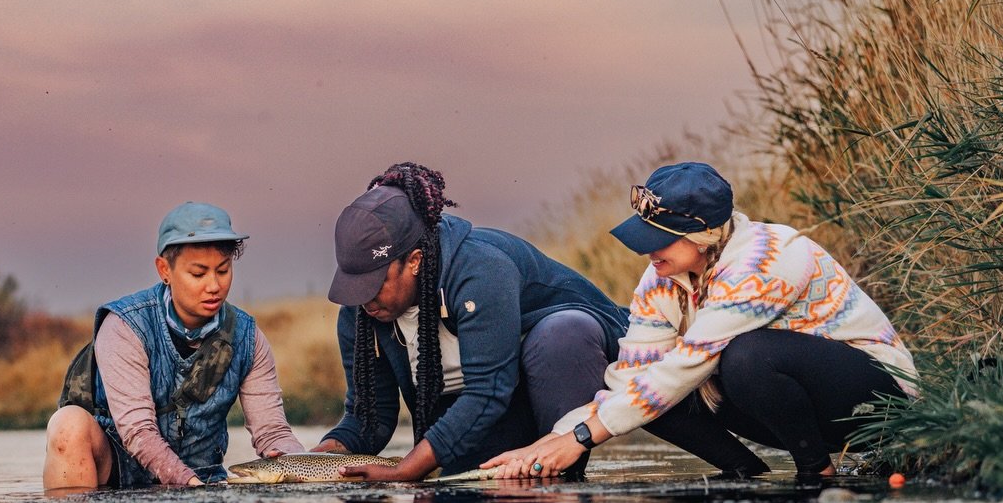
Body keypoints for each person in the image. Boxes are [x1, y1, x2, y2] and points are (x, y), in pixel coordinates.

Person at [483, 161, 918, 480]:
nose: (647, 252)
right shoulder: (662, 278)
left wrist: (580, 439)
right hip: (790, 405)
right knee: (641, 397)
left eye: (660, 240)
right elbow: (630, 379)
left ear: (704, 234)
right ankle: (744, 471)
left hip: (878, 399)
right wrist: (547, 444)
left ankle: (815, 475)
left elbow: (690, 362)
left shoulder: (766, 258)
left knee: (745, 357)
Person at [314, 161, 629, 480]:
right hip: (479, 410)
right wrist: (314, 459)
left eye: (374, 283)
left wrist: (408, 468)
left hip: (562, 374)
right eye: (354, 285)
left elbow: (489, 390)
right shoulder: (361, 310)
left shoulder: (482, 271)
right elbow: (370, 418)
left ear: (414, 261)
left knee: (561, 335)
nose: (363, 298)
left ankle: (563, 479)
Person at [42, 202, 303, 494]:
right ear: (164, 269)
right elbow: (138, 432)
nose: (214, 285)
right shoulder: (123, 327)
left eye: (223, 270)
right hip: (119, 474)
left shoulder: (249, 338)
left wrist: (302, 466)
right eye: (198, 273)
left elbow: (272, 433)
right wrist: (187, 483)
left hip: (205, 480)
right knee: (68, 425)